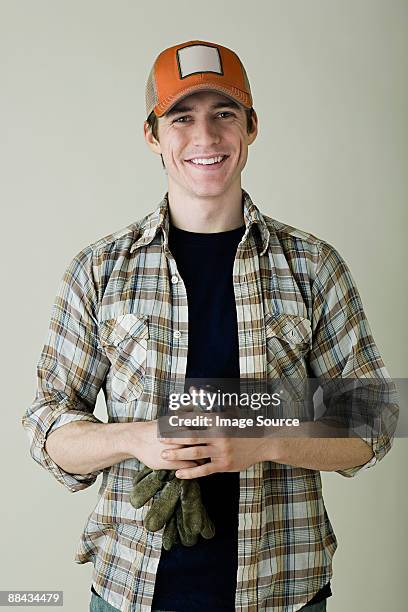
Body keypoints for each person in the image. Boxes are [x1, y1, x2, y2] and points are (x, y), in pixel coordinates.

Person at [22, 40, 395, 612]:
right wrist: (136, 437)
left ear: (251, 127)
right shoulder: (100, 269)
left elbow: (374, 420)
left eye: (224, 114)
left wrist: (261, 438)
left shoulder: (313, 265)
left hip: (281, 592)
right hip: (129, 592)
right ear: (152, 134)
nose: (205, 137)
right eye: (182, 116)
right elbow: (46, 425)